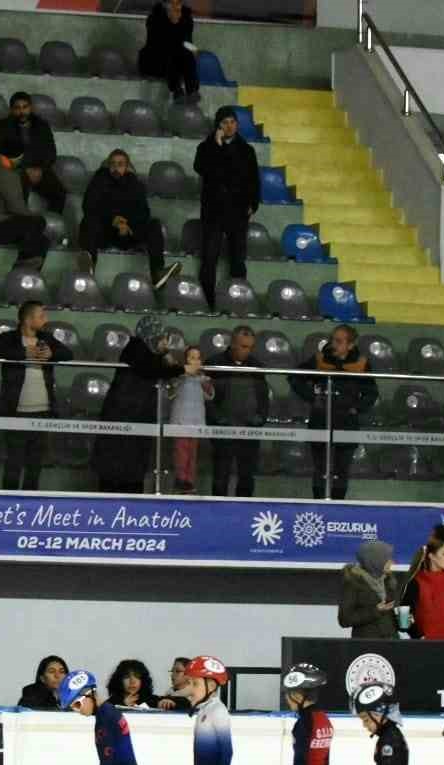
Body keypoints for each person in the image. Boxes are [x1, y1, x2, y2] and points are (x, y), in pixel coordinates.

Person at [92, 316, 184, 494]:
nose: (164, 342)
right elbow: (151, 369)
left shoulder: (150, 353)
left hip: (138, 415)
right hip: (122, 415)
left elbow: (162, 366)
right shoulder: (135, 348)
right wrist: (181, 369)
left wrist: (165, 354)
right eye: (160, 338)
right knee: (114, 466)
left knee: (134, 465)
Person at [0, 300, 73, 491]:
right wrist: (23, 352)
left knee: (35, 465)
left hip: (43, 410)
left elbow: (68, 353)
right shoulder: (9, 338)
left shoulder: (46, 338)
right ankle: (8, 504)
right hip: (16, 411)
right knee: (14, 463)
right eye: (41, 315)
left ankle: (30, 504)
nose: (46, 319)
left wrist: (52, 354)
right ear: (28, 319)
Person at [291, 325, 377, 501]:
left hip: (347, 423)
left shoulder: (361, 364)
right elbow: (294, 377)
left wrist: (356, 408)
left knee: (341, 470)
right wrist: (312, 398)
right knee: (320, 469)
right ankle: (318, 505)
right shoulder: (319, 359)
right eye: (332, 339)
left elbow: (372, 393)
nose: (333, 344)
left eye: (339, 341)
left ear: (350, 345)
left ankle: (338, 506)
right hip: (320, 420)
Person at [76, 149, 180, 291]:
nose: (116, 167)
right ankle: (87, 268)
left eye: (120, 164)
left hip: (129, 233)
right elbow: (89, 206)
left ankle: (157, 273)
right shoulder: (99, 180)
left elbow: (143, 213)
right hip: (105, 232)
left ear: (127, 166)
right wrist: (113, 220)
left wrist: (128, 226)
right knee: (88, 221)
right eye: (112, 164)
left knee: (154, 224)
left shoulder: (135, 184)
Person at [194, 107, 260, 312]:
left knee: (238, 259)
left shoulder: (247, 150)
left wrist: (253, 204)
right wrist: (217, 145)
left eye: (232, 122)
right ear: (218, 126)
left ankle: (238, 301)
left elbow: (253, 180)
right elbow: (201, 168)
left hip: (238, 211)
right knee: (209, 258)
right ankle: (208, 302)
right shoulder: (206, 147)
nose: (229, 126)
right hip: (213, 212)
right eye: (224, 122)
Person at [208, 325, 270, 498]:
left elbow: (263, 398)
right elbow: (206, 397)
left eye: (250, 347)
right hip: (223, 428)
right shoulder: (215, 364)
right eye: (243, 346)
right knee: (221, 475)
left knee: (247, 476)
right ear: (233, 343)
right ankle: (216, 512)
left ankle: (245, 513)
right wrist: (216, 418)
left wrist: (260, 418)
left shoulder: (257, 366)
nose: (247, 351)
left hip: (249, 430)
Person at [0, 152, 50, 272]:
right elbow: (17, 208)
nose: (39, 174)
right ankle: (20, 270)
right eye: (36, 169)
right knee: (38, 222)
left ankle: (25, 275)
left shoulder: (6, 172)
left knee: (43, 240)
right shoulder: (5, 174)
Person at [0, 92, 66, 215]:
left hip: (40, 168)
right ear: (11, 110)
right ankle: (19, 225)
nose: (22, 112)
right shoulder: (3, 126)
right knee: (17, 193)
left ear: (30, 108)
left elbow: (51, 152)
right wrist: (26, 168)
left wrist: (40, 168)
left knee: (59, 193)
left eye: (25, 107)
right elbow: (3, 151)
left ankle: (51, 225)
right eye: (17, 108)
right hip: (16, 169)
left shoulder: (42, 125)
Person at [399, 533, 444, 640]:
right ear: (432, 556)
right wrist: (419, 636)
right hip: (428, 646)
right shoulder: (416, 582)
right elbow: (404, 614)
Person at [168, 345, 214, 494]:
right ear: (185, 360)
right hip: (181, 419)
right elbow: (170, 392)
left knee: (193, 453)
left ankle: (190, 480)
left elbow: (210, 395)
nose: (195, 360)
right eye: (191, 357)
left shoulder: (203, 378)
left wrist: (205, 382)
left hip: (196, 420)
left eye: (198, 358)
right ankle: (180, 479)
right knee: (181, 451)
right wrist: (182, 375)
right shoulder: (179, 376)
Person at [138, 0, 200, 104]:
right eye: (174, 6)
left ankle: (192, 91)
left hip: (177, 61)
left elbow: (187, 42)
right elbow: (155, 45)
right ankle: (177, 90)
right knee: (171, 53)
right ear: (166, 8)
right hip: (154, 61)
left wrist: (193, 49)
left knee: (187, 55)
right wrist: (172, 24)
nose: (177, 10)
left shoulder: (186, 18)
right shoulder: (154, 18)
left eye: (179, 4)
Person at [339, 539, 400, 640]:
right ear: (376, 559)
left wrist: (404, 621)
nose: (393, 562)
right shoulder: (353, 583)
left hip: (392, 643)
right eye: (387, 559)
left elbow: (391, 616)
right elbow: (345, 620)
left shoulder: (388, 580)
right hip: (367, 646)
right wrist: (376, 610)